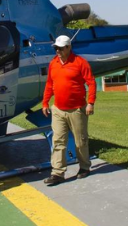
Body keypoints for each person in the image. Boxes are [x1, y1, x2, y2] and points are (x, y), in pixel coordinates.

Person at [42, 35, 96, 186]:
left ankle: (84, 167)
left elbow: (91, 83)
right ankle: (57, 173)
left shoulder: (80, 63)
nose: (57, 50)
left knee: (80, 141)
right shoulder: (53, 63)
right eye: (56, 48)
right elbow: (49, 84)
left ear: (68, 47)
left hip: (77, 110)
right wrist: (45, 102)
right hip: (58, 109)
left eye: (60, 48)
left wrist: (90, 103)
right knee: (58, 141)